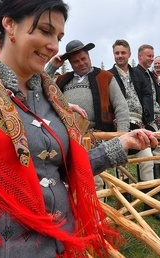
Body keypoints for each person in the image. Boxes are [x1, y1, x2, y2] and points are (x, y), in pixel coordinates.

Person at [0, 1, 160, 257]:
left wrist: (122, 144)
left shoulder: (52, 96)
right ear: (10, 24)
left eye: (58, 36)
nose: (54, 45)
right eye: (45, 31)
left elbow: (61, 170)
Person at [48, 39, 130, 198]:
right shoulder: (61, 80)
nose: (81, 63)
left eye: (83, 59)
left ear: (89, 57)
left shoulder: (105, 77)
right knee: (68, 178)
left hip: (96, 137)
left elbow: (121, 107)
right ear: (71, 64)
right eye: (76, 61)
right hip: (67, 136)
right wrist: (52, 66)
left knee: (95, 179)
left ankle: (99, 216)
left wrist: (122, 136)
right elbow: (38, 85)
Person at [108, 40, 160, 220]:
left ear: (129, 54)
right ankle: (126, 202)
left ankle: (147, 200)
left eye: (123, 52)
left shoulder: (138, 73)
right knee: (121, 163)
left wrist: (147, 117)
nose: (120, 56)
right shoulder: (108, 75)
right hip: (118, 123)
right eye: (117, 53)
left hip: (139, 122)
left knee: (147, 159)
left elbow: (146, 94)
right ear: (114, 54)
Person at [134, 45, 160, 197]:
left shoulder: (151, 74)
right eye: (148, 56)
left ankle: (158, 187)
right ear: (140, 56)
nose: (151, 59)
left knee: (158, 151)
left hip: (158, 118)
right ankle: (148, 192)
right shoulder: (135, 73)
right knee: (146, 154)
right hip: (147, 119)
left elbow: (157, 98)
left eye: (152, 56)